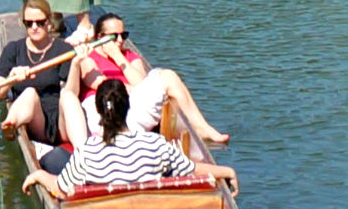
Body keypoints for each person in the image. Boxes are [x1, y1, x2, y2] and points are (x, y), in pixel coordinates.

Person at [22, 79, 238, 199]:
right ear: (127, 108)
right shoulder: (155, 144)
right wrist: (227, 171)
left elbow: (61, 187)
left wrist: (39, 175)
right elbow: (191, 168)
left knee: (56, 158)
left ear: (98, 112)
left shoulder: (87, 153)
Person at [59, 12, 228, 146]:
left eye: (123, 35)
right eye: (113, 36)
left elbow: (141, 83)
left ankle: (202, 128)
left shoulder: (129, 56)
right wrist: (131, 87)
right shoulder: (89, 58)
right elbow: (103, 85)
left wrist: (118, 57)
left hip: (132, 110)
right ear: (99, 37)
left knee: (167, 75)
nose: (119, 40)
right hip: (104, 112)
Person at [0, 0, 74, 172]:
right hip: (35, 121)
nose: (34, 27)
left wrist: (78, 62)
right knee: (29, 92)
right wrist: (11, 79)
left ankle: (85, 154)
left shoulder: (64, 50)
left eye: (40, 22)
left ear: (49, 23)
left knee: (68, 97)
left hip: (59, 120)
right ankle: (11, 124)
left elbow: (71, 88)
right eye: (29, 23)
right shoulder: (13, 50)